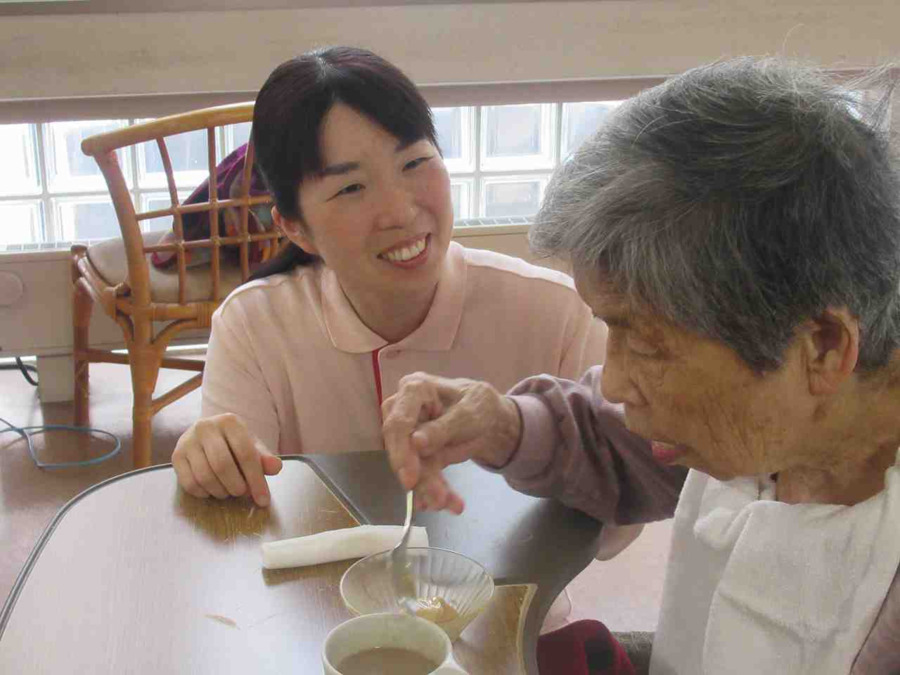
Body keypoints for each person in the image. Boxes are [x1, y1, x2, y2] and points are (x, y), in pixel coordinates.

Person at [382, 57, 900, 674]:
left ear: (824, 347)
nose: (616, 381)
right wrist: (500, 423)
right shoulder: (764, 415)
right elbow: (609, 436)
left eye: (648, 345)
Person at [170, 46, 609, 514]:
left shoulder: (558, 312)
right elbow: (239, 514)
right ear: (295, 228)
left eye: (414, 163)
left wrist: (517, 434)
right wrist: (213, 462)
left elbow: (619, 497)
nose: (400, 211)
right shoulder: (253, 326)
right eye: (351, 188)